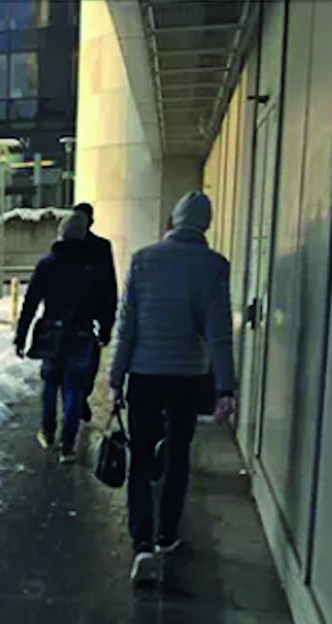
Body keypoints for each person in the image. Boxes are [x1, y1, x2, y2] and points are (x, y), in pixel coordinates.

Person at [109, 192, 237, 583]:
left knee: (141, 458)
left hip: (144, 377)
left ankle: (142, 545)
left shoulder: (143, 260)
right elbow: (218, 333)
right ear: (206, 224)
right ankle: (166, 535)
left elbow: (126, 325)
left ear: (173, 220)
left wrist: (115, 379)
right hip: (187, 377)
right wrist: (225, 387)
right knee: (178, 455)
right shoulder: (214, 266)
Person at [14, 211, 109, 463]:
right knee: (75, 389)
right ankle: (68, 445)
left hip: (51, 333)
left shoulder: (48, 264)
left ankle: (47, 431)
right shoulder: (91, 267)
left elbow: (31, 301)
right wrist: (105, 327)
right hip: (81, 333)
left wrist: (21, 335)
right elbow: (105, 300)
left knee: (50, 383)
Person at [72, 203, 118, 423]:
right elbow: (109, 285)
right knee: (89, 362)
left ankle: (77, 398)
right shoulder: (100, 247)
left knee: (77, 364)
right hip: (89, 315)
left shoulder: (70, 245)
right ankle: (79, 397)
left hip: (74, 315)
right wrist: (107, 321)